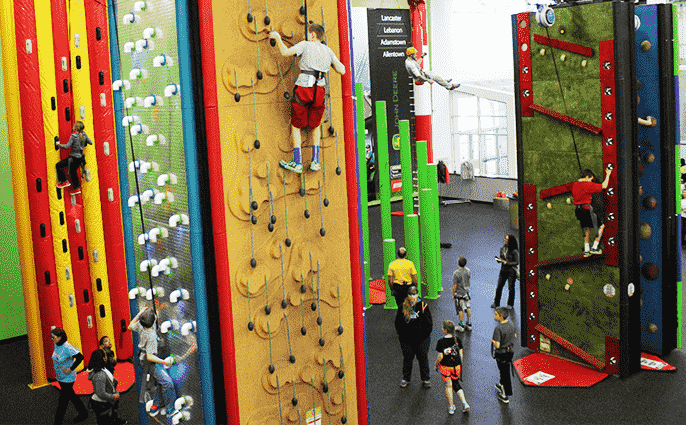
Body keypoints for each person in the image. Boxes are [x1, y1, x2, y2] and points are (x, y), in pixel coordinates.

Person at [270, 24, 346, 174]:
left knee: (296, 125)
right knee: (315, 125)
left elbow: (285, 52)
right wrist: (328, 63)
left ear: (312, 35)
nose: (305, 36)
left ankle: (297, 162)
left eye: (307, 33)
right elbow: (342, 70)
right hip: (320, 90)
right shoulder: (328, 50)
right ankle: (315, 161)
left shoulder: (305, 45)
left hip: (304, 88)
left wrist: (278, 38)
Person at [128, 307, 178, 419]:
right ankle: (171, 409)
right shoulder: (151, 336)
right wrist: (164, 361)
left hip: (144, 358)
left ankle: (156, 405)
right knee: (167, 383)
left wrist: (140, 314)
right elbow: (149, 356)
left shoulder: (141, 325)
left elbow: (130, 326)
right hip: (149, 362)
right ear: (153, 321)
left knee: (162, 381)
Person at [395, 285, 433, 388]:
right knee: (407, 359)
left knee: (423, 358)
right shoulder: (402, 306)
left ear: (417, 295)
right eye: (410, 294)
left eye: (414, 294)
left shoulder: (424, 306)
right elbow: (398, 323)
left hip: (421, 340)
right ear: (407, 295)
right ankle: (406, 378)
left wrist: (423, 336)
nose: (412, 297)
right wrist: (402, 337)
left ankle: (426, 379)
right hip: (407, 340)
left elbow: (429, 324)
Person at [50, 327, 89, 424]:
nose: (52, 339)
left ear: (59, 337)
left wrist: (71, 368)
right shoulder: (56, 344)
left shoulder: (67, 347)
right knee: (72, 396)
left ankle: (57, 422)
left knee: (63, 401)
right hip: (60, 377)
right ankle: (84, 413)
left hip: (68, 379)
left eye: (53, 337)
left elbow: (80, 357)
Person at [572, 168, 612, 257]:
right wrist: (608, 174)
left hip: (578, 210)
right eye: (591, 179)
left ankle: (586, 250)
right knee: (601, 226)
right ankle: (594, 247)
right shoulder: (587, 185)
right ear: (587, 177)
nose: (591, 181)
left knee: (587, 228)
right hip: (586, 210)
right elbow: (604, 186)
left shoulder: (575, 184)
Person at [434, 321, 470, 414]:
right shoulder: (457, 340)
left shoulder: (441, 342)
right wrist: (459, 364)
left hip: (446, 367)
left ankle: (451, 407)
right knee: (456, 383)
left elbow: (440, 356)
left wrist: (436, 364)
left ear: (445, 330)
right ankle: (465, 403)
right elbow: (461, 353)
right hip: (456, 366)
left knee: (448, 386)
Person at [88, 349, 127, 425]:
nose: (107, 356)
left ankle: (114, 420)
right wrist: (113, 397)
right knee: (104, 421)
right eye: (105, 355)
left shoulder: (102, 368)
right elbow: (101, 393)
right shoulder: (99, 375)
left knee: (106, 419)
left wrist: (112, 380)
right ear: (103, 358)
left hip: (105, 401)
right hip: (102, 404)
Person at [55, 121, 93, 193]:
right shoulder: (84, 135)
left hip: (74, 158)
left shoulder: (73, 136)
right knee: (73, 172)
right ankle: (77, 187)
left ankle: (64, 181)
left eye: (74, 125)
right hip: (80, 158)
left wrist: (59, 145)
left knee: (59, 165)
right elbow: (91, 142)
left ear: (76, 128)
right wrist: (83, 144)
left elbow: (67, 146)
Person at [492, 307, 517, 404]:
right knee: (505, 370)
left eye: (496, 314)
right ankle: (500, 384)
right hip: (509, 352)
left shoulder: (498, 329)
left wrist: (493, 341)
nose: (494, 315)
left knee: (504, 372)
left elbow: (497, 345)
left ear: (501, 316)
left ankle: (504, 395)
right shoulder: (511, 324)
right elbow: (515, 336)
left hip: (501, 353)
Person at [492, 235, 519, 310]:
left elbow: (516, 262)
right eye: (505, 239)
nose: (505, 240)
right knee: (499, 287)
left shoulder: (514, 251)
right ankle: (496, 303)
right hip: (503, 270)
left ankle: (510, 304)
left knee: (511, 288)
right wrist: (499, 260)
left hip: (511, 271)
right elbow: (502, 258)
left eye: (507, 239)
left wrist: (507, 263)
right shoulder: (502, 248)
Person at [452, 257, 472, 332]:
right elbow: (469, 281)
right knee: (468, 307)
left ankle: (461, 325)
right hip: (466, 292)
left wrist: (454, 294)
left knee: (460, 309)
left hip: (459, 294)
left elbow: (455, 285)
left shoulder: (456, 273)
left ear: (458, 263)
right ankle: (469, 323)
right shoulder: (468, 271)